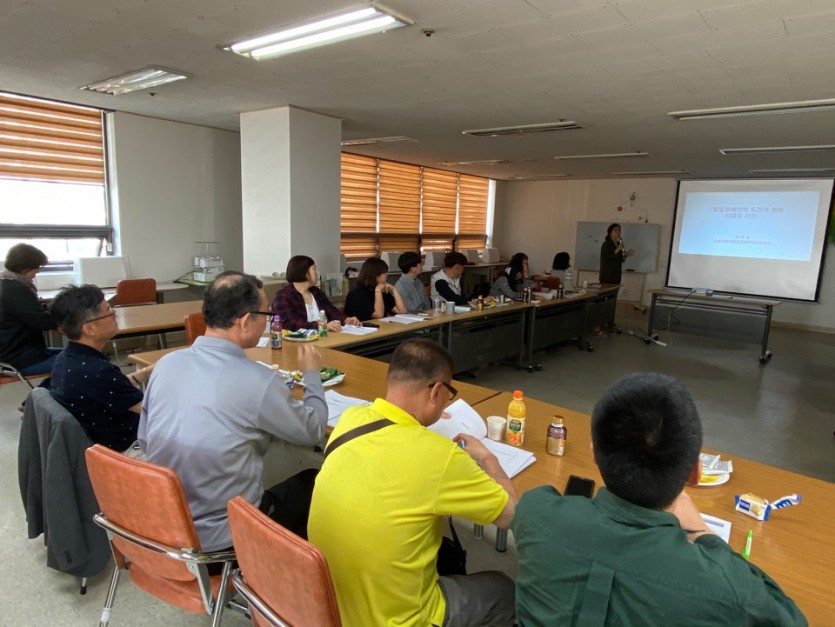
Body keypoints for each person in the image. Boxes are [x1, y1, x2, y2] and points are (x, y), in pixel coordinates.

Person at [512, 372, 806, 626]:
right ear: (695, 474)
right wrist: (702, 533)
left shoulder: (535, 512)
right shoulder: (727, 588)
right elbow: (789, 619)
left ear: (594, 454)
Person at [309, 339, 517, 627]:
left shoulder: (351, 419)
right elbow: (512, 516)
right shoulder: (440, 455)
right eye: (448, 395)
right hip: (398, 620)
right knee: (503, 589)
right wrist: (489, 460)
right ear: (436, 391)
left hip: (330, 605)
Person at [139, 271, 328, 552]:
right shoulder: (257, 380)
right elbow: (313, 431)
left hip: (164, 519)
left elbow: (145, 440)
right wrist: (312, 374)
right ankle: (275, 567)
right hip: (223, 534)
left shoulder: (167, 364)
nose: (268, 321)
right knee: (315, 480)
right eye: (266, 313)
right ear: (245, 321)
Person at [49, 285, 152, 451]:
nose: (115, 315)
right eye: (109, 311)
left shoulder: (66, 358)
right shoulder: (99, 372)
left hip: (94, 445)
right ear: (89, 329)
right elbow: (153, 412)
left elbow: (109, 390)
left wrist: (146, 372)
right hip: (125, 449)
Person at [0, 243, 59, 375]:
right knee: (85, 360)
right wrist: (70, 319)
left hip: (17, 352)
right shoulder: (15, 289)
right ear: (25, 267)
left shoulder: (6, 282)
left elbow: (32, 310)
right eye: (36, 267)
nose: (37, 271)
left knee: (80, 354)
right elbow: (42, 321)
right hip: (20, 359)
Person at [272, 255, 360, 332]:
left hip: (322, 338)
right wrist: (321, 326)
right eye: (314, 269)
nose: (316, 273)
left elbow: (330, 310)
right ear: (305, 273)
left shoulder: (316, 292)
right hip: (297, 342)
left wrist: (345, 320)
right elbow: (290, 323)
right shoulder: (282, 296)